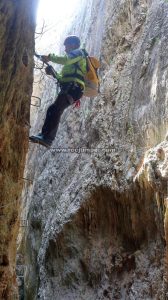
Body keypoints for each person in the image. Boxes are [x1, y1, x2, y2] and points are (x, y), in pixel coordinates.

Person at [29, 35, 87, 148]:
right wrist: (53, 72)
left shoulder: (79, 53)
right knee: (53, 109)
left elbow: (65, 60)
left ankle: (48, 139)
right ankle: (44, 135)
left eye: (67, 46)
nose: (65, 49)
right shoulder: (73, 63)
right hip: (71, 87)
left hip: (73, 88)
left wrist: (49, 57)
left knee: (56, 109)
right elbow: (62, 79)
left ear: (74, 45)